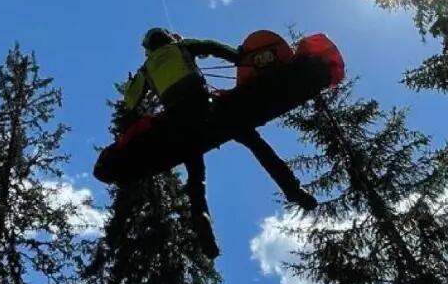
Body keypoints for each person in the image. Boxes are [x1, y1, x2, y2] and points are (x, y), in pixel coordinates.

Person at [125, 28, 317, 258]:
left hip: (178, 120)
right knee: (254, 141)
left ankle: (201, 219)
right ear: (168, 37)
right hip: (206, 107)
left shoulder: (146, 68)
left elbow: (131, 101)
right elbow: (214, 47)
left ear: (148, 47)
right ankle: (292, 189)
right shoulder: (181, 46)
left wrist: (135, 83)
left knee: (196, 174)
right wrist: (241, 59)